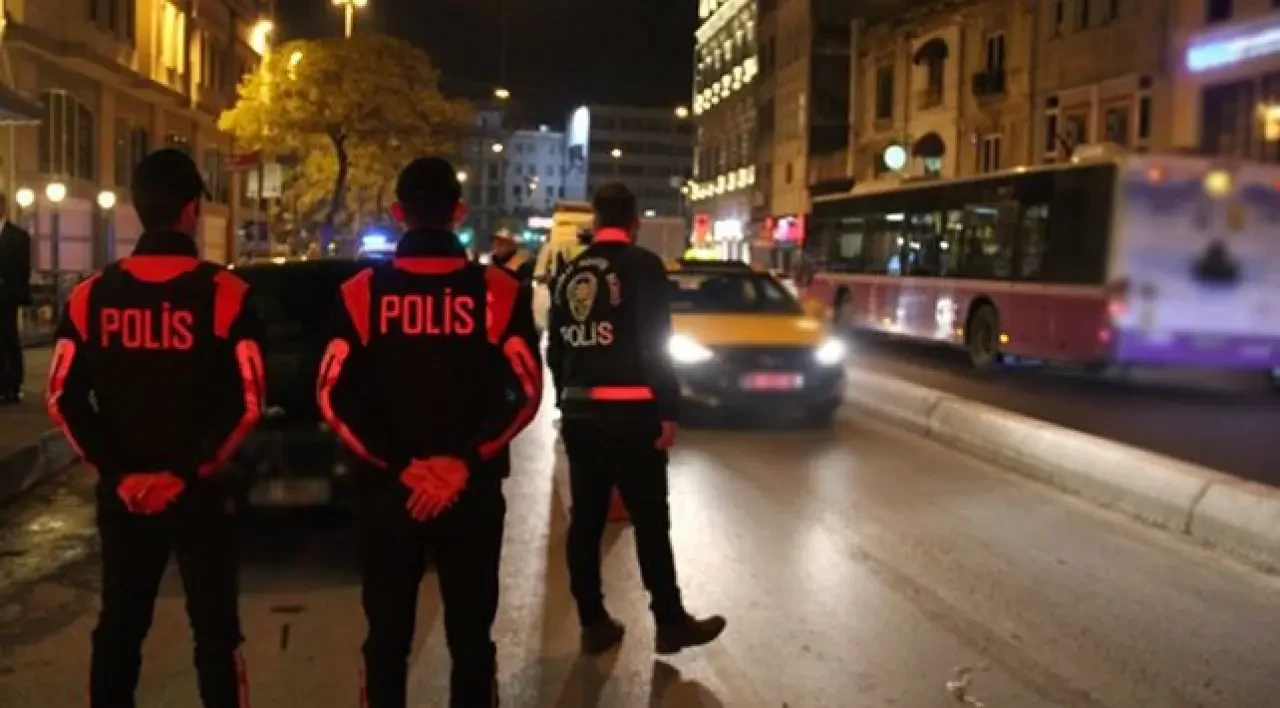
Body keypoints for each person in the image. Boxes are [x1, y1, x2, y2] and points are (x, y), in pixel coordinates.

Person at [317, 157, 542, 708]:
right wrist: (464, 462)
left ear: (398, 214)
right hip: (473, 494)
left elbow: (332, 396)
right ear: (458, 213)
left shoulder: (362, 291)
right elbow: (527, 391)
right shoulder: (499, 290)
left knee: (387, 639)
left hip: (388, 495)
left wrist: (403, 466)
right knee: (471, 640)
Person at [45, 148, 264, 708]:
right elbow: (247, 402)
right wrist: (186, 473)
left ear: (137, 207)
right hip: (204, 494)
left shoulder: (90, 296)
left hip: (127, 497)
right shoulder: (227, 294)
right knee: (216, 634)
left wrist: (120, 474)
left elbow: (63, 398)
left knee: (120, 627)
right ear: (192, 211)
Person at [546, 182, 725, 656]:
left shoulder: (569, 272)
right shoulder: (643, 266)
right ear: (635, 221)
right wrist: (667, 408)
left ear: (595, 219)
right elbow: (654, 340)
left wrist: (567, 400)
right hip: (631, 413)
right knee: (649, 520)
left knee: (586, 521)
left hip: (582, 412)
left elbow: (555, 348)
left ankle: (593, 622)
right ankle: (669, 622)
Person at [0, 194, 32, 403]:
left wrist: (17, 294)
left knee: (8, 338)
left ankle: (13, 383)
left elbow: (23, 268)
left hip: (7, 296)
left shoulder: (18, 236)